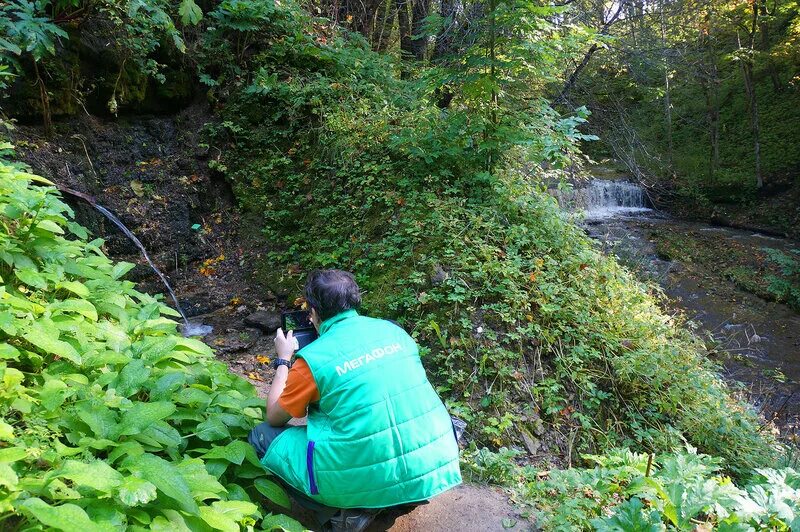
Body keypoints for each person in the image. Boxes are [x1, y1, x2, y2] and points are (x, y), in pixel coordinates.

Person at [248, 269, 462, 531]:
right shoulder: (394, 332)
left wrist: (283, 360)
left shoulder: (314, 359)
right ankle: (400, 500)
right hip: (431, 464)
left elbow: (274, 415)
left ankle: (343, 514)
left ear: (313, 311)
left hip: (364, 474)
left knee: (262, 436)